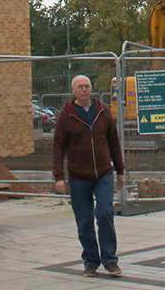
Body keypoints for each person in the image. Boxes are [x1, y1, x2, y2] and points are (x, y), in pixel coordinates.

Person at [52, 75, 124, 278]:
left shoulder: (103, 111)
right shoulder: (67, 115)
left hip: (103, 174)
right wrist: (59, 177)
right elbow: (57, 148)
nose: (84, 90)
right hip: (78, 177)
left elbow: (114, 143)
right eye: (80, 87)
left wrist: (120, 170)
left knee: (104, 213)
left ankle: (110, 260)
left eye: (87, 86)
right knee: (84, 221)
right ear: (73, 90)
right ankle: (91, 261)